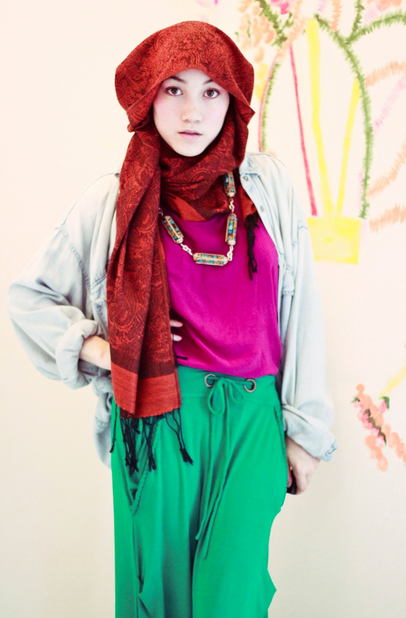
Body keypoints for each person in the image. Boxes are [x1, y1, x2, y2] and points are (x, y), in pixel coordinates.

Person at [8, 20, 337, 618]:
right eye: (174, 89)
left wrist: (305, 430)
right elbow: (29, 296)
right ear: (148, 97)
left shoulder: (267, 185)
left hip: (252, 423)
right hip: (158, 418)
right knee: (157, 601)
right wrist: (109, 347)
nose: (192, 111)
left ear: (233, 100)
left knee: (231, 599)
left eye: (211, 91)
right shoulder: (115, 198)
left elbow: (301, 307)